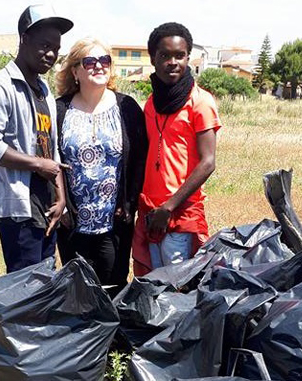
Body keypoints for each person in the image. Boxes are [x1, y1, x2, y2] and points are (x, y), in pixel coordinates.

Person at [0, 4, 72, 273]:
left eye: (56, 49)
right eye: (44, 45)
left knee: (44, 287)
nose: (51, 54)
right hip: (19, 209)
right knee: (24, 293)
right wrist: (37, 165)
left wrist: (60, 197)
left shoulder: (43, 88)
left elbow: (52, 150)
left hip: (46, 206)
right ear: (24, 39)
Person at [55, 38, 147, 293]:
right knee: (77, 291)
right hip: (73, 222)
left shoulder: (126, 107)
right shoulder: (59, 110)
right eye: (89, 61)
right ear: (75, 71)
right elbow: (51, 159)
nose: (98, 66)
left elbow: (139, 160)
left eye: (104, 61)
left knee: (114, 286)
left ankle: (111, 335)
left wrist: (129, 203)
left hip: (114, 221)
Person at [132, 22, 222, 276]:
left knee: (177, 287)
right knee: (153, 284)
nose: (173, 62)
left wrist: (169, 207)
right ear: (153, 58)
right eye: (165, 55)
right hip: (152, 211)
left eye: (179, 55)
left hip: (179, 212)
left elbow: (208, 162)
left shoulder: (200, 102)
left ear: (188, 57)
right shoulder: (151, 104)